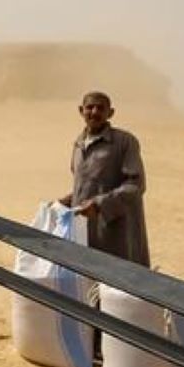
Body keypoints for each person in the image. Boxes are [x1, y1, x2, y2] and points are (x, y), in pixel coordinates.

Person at [59, 91, 149, 266]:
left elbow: (136, 185)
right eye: (90, 107)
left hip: (117, 232)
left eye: (100, 108)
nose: (94, 112)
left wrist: (100, 204)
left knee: (118, 282)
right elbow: (87, 184)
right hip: (85, 232)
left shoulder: (125, 142)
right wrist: (69, 200)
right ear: (81, 111)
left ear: (111, 113)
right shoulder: (78, 144)